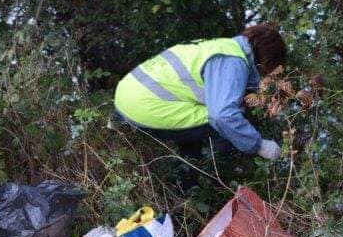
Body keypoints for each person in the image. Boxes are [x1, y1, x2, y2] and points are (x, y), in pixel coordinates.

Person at [113, 23, 286, 162]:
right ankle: (222, 177)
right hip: (144, 106)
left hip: (127, 94)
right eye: (272, 70)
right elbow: (222, 116)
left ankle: (189, 173)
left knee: (209, 113)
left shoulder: (222, 46)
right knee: (231, 118)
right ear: (267, 60)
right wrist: (258, 145)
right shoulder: (233, 61)